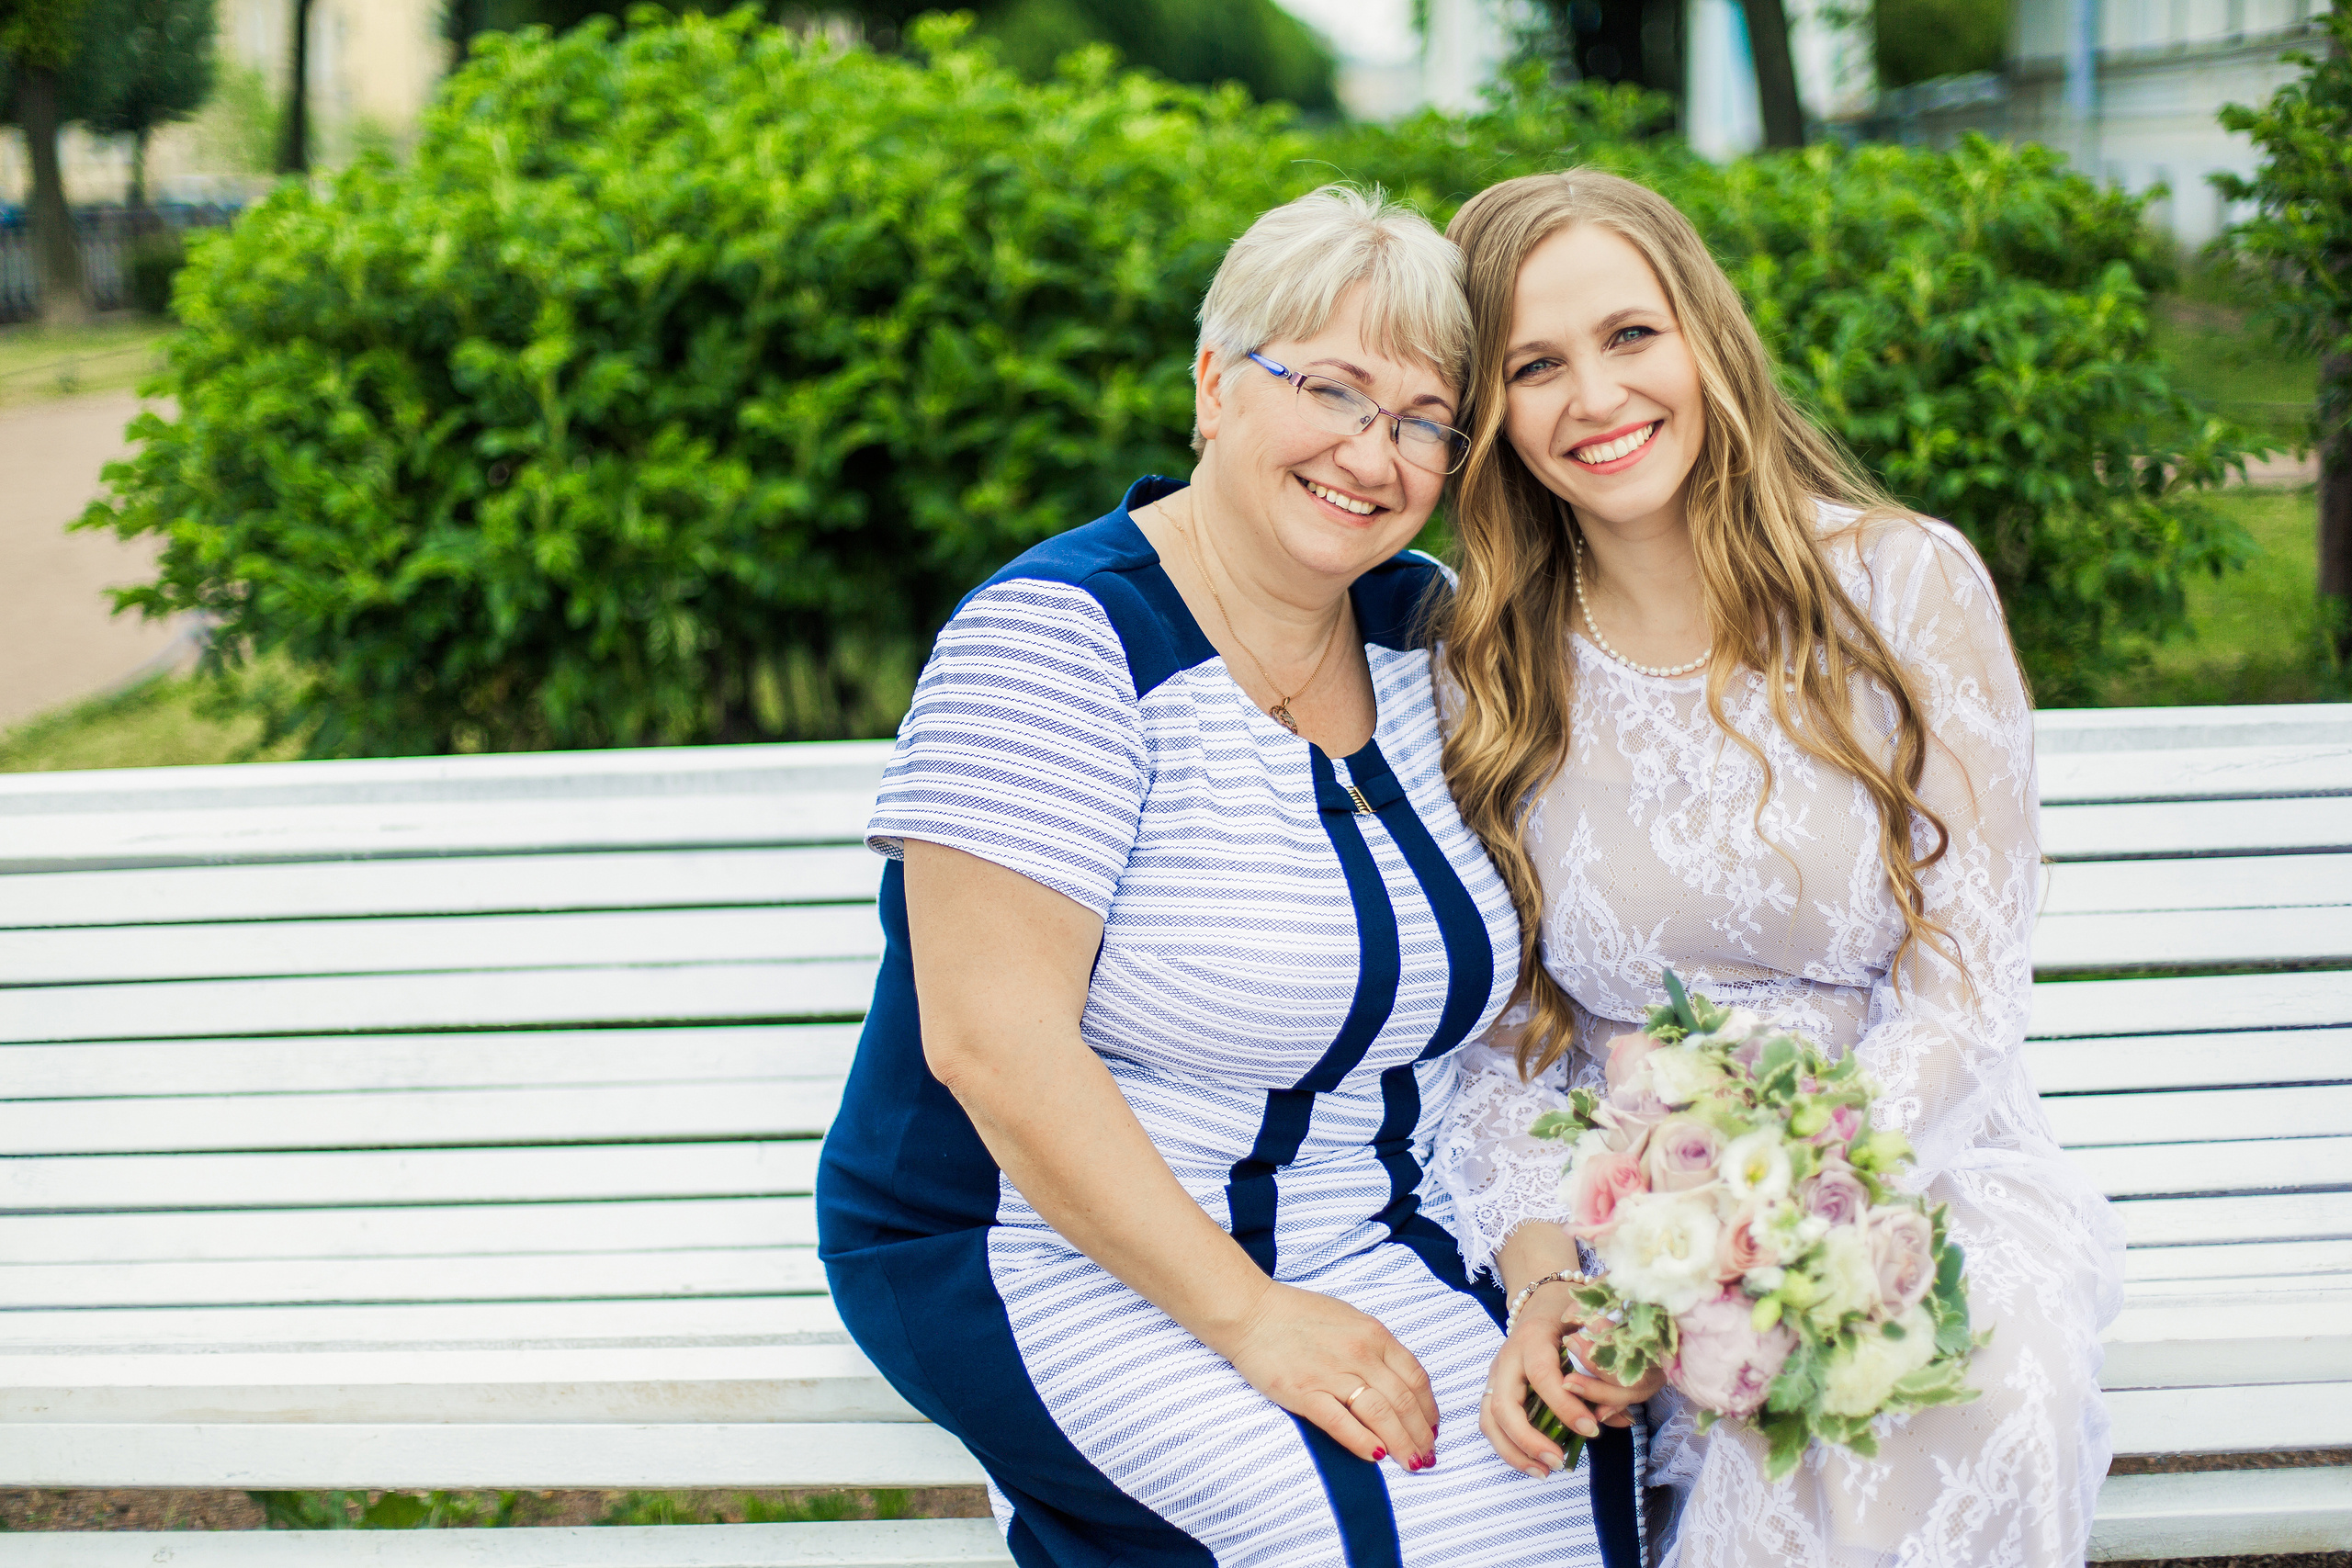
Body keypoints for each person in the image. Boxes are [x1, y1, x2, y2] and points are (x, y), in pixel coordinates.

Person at [816, 186, 1650, 1568]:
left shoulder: (1429, 636)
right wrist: (1254, 1321)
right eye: (1330, 387)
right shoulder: (1058, 645)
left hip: (1371, 1212)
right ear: (1213, 385)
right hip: (1034, 1240)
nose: (1371, 453)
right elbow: (990, 1046)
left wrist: (1540, 1276)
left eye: (1425, 421)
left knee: (1586, 1471)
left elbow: (1522, 1009)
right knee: (1353, 1527)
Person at [1427, 169, 2125, 1568]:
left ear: (1706, 336)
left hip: (1918, 1157)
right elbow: (1501, 1040)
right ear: (1490, 414)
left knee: (1962, 1380)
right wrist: (1552, 1278)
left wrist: (1793, 1216)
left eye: (1631, 336)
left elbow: (1968, 976)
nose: (1597, 397)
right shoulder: (1484, 668)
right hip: (1636, 1202)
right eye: (1534, 366)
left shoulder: (1904, 585)